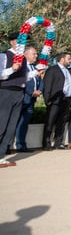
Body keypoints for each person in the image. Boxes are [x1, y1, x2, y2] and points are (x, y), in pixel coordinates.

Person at [1, 32, 27, 166]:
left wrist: (35, 72)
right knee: (1, 125)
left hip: (19, 93)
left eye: (23, 42)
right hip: (6, 92)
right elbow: (1, 75)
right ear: (11, 42)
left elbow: (23, 77)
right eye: (19, 41)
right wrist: (12, 69)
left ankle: (1, 156)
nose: (21, 44)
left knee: (11, 127)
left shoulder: (23, 58)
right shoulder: (4, 55)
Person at [42, 50, 71, 151]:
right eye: (69, 59)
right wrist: (47, 100)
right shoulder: (52, 69)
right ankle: (46, 143)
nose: (70, 61)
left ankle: (58, 143)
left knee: (61, 122)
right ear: (62, 59)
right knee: (50, 122)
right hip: (54, 100)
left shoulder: (67, 71)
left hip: (66, 100)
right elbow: (47, 85)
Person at [14, 51, 42, 153]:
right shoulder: (20, 66)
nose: (36, 55)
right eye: (34, 54)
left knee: (24, 123)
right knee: (13, 123)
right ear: (26, 55)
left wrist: (40, 90)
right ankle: (6, 146)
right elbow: (21, 81)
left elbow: (40, 80)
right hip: (22, 98)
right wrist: (31, 92)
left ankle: (21, 145)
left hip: (31, 100)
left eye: (36, 53)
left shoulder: (35, 67)